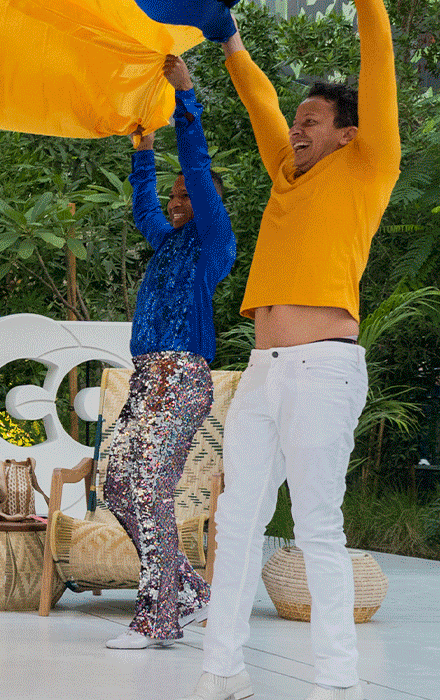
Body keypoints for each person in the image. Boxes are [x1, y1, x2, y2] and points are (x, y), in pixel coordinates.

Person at [154, 1, 401, 699]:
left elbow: (377, 56)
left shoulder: (368, 165)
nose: (296, 130)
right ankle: (221, 672)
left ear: (348, 134)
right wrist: (227, 38)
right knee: (237, 526)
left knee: (319, 527)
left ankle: (335, 683)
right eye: (297, 122)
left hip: (324, 368)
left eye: (312, 122)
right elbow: (261, 101)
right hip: (262, 374)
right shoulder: (288, 177)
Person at [103, 53, 234, 651]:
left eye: (186, 195)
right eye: (174, 195)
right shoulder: (166, 241)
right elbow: (143, 207)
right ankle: (191, 592)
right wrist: (142, 150)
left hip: (181, 378)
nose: (177, 201)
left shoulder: (212, 247)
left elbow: (200, 172)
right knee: (117, 488)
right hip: (144, 379)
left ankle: (156, 617)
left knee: (150, 485)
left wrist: (186, 100)